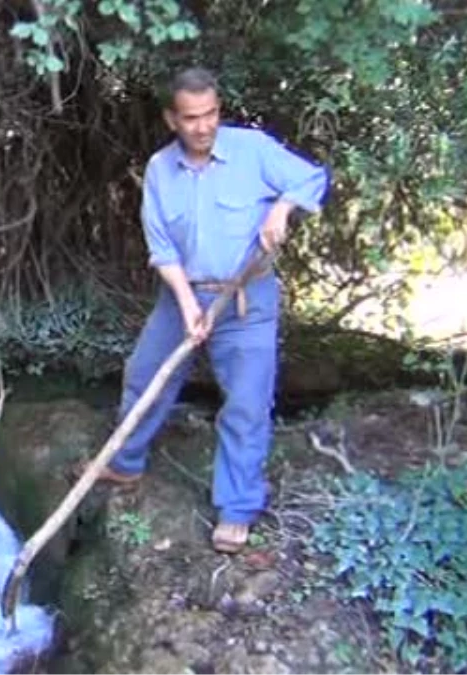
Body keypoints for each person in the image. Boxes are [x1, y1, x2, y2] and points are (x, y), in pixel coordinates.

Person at [95, 67, 329, 554]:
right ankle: (125, 461)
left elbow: (311, 178)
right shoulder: (161, 169)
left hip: (248, 297)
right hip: (183, 292)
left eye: (211, 114)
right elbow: (162, 249)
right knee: (144, 374)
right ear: (171, 119)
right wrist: (187, 306)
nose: (203, 127)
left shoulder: (254, 150)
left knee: (245, 401)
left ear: (219, 110)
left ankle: (237, 507)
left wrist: (283, 207)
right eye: (191, 118)